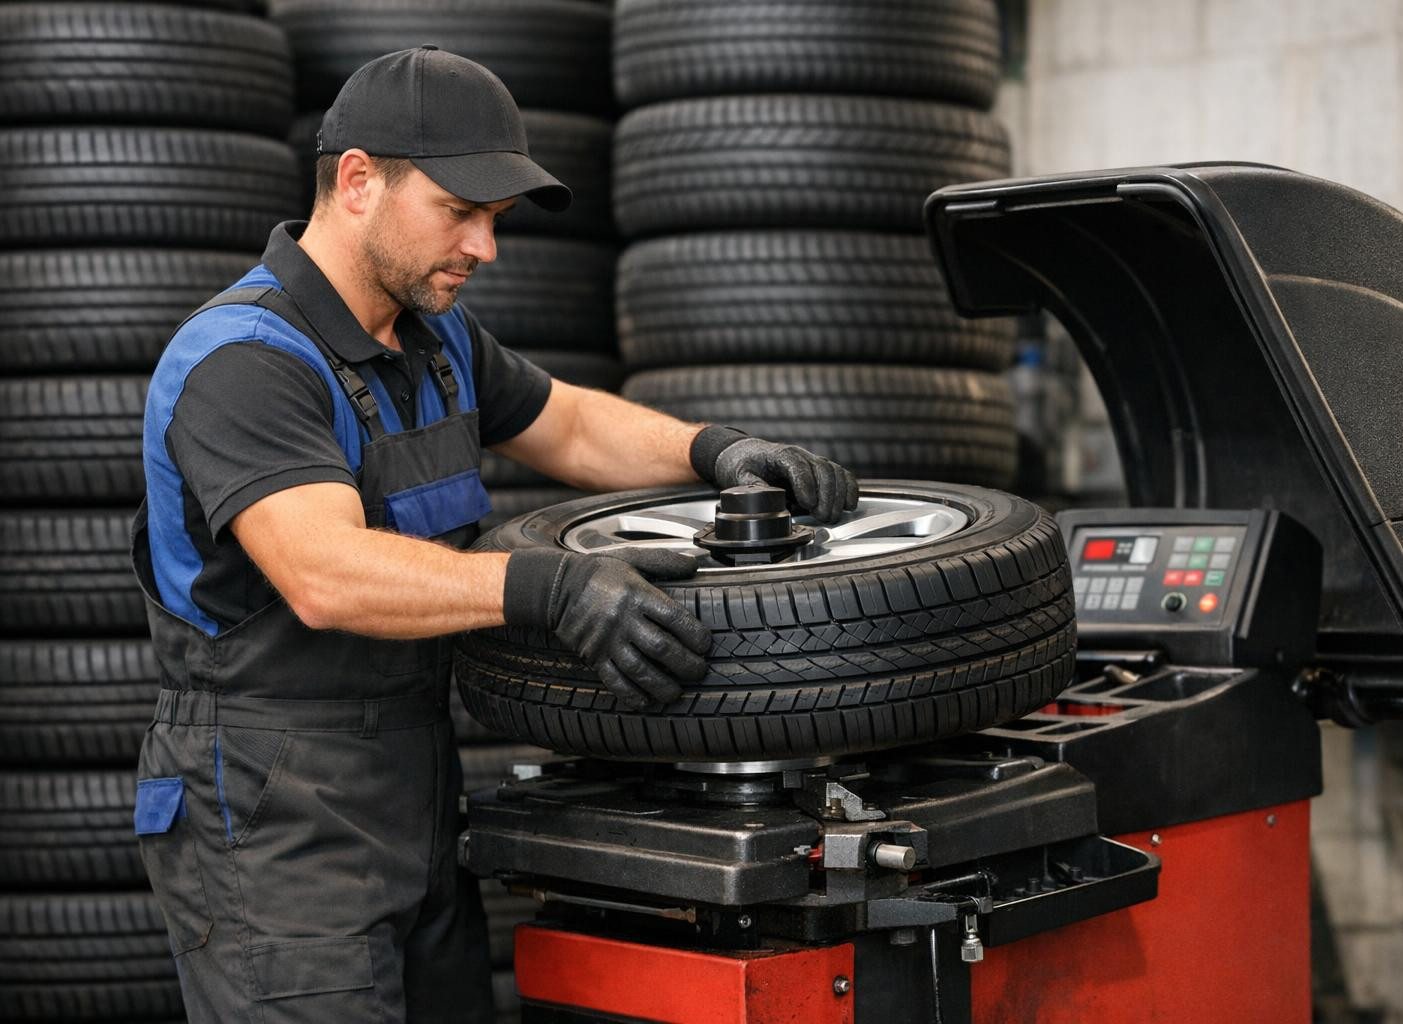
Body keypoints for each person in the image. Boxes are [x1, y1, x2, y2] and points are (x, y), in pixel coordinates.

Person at [130, 47, 859, 1023]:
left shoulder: (434, 344)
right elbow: (323, 572)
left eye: (496, 220)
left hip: (414, 786)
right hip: (268, 812)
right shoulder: (244, 362)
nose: (486, 247)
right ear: (358, 181)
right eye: (459, 212)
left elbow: (570, 423)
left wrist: (717, 450)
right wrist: (548, 587)